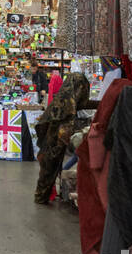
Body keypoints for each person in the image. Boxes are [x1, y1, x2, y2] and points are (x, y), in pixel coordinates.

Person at [34, 73, 91, 205]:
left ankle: (42, 197)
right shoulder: (67, 103)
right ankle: (41, 198)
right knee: (49, 170)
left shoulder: (65, 97)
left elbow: (81, 105)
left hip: (51, 140)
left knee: (48, 170)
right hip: (54, 142)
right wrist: (68, 142)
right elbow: (64, 126)